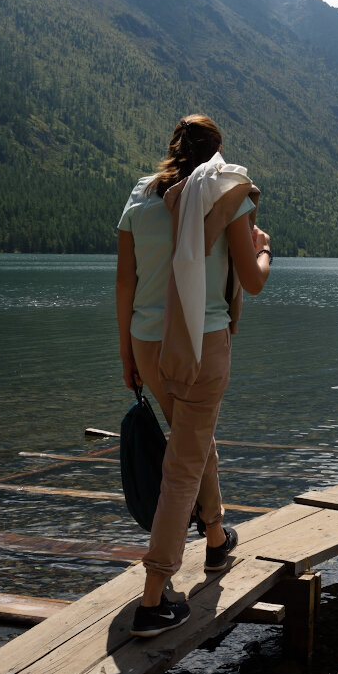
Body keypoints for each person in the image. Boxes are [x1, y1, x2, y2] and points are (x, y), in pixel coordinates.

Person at [116, 114, 272, 637]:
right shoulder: (226, 192)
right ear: (218, 152)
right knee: (182, 463)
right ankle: (154, 596)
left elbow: (125, 281)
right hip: (201, 341)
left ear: (172, 147)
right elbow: (251, 282)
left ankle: (215, 538)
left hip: (147, 339)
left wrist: (126, 353)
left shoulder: (141, 194)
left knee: (192, 441)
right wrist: (264, 249)